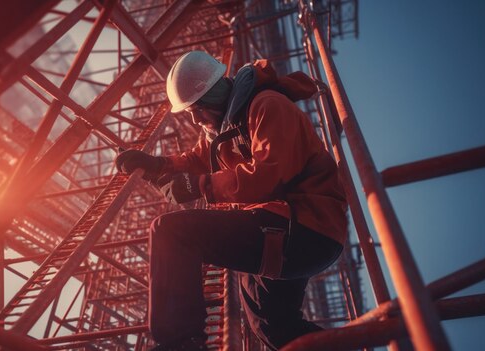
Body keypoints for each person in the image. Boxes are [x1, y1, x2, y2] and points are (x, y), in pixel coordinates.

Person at [115, 51, 347, 350]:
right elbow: (199, 159)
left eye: (198, 108)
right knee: (271, 326)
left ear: (218, 91)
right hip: (286, 227)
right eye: (189, 112)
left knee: (172, 233)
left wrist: (201, 185)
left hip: (305, 226)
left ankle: (180, 343)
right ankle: (366, 342)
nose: (196, 118)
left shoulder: (267, 106)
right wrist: (159, 166)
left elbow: (268, 175)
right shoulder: (223, 130)